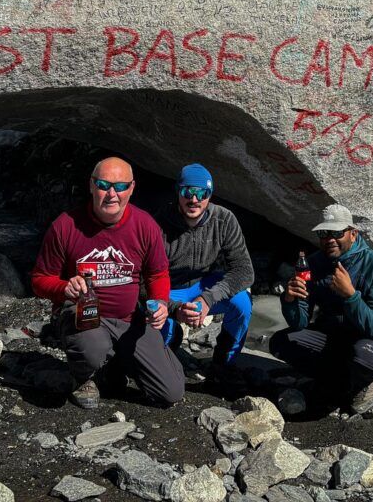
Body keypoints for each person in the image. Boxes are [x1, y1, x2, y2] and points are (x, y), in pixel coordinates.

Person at [31, 157, 183, 409]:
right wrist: (63, 288)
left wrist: (160, 303)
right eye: (104, 185)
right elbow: (38, 280)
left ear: (132, 188)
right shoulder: (65, 226)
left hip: (128, 318)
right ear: (91, 185)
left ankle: (117, 364)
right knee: (93, 349)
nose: (112, 194)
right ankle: (84, 376)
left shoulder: (145, 225)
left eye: (120, 186)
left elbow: (157, 274)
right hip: (82, 314)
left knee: (171, 393)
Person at [270, 205, 373, 415]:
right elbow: (300, 324)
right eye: (323, 233)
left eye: (337, 233)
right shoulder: (312, 264)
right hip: (333, 336)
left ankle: (364, 383)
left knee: (363, 355)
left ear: (353, 234)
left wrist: (350, 296)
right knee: (280, 342)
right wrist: (290, 299)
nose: (329, 239)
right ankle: (334, 380)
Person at [157, 163, 255, 374]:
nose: (194, 199)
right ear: (178, 192)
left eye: (202, 193)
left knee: (242, 303)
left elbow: (244, 270)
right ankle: (172, 337)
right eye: (188, 192)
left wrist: (208, 298)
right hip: (168, 288)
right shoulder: (159, 223)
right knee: (158, 342)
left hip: (204, 285)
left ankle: (224, 363)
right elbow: (145, 280)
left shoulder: (224, 219)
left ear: (209, 195)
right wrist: (174, 309)